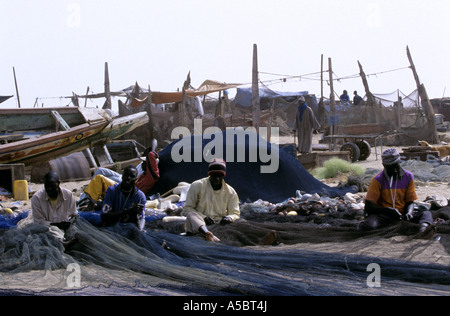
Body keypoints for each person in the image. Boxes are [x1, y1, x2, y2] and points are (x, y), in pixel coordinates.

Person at [359, 148, 433, 233]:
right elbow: (368, 207)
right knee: (371, 225)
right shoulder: (377, 180)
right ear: (384, 165)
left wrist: (409, 213)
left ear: (399, 162)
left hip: (402, 215)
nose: (394, 170)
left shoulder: (408, 177)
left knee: (426, 214)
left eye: (396, 166)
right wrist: (388, 210)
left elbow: (410, 202)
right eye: (391, 168)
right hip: (384, 216)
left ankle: (422, 230)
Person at [182, 159, 240, 242]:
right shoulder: (197, 185)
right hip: (199, 222)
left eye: (219, 175)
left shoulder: (230, 192)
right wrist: (204, 217)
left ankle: (210, 235)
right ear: (209, 174)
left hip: (219, 224)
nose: (216, 178)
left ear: (223, 176)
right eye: (214, 175)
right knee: (191, 215)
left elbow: (235, 213)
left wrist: (230, 218)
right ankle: (207, 233)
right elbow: (187, 209)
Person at [31, 171, 78, 248]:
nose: (49, 189)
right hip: (48, 228)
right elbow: (39, 222)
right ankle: (61, 243)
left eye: (52, 186)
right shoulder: (37, 198)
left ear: (58, 183)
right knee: (50, 231)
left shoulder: (68, 195)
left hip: (66, 227)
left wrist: (69, 222)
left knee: (76, 231)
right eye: (47, 186)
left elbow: (73, 214)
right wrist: (57, 225)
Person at [101, 165, 147, 231]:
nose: (128, 178)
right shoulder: (112, 191)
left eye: (132, 176)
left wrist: (141, 229)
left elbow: (141, 218)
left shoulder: (140, 196)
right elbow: (104, 217)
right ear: (122, 175)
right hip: (111, 226)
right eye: (126, 175)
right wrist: (128, 211)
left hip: (129, 228)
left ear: (136, 179)